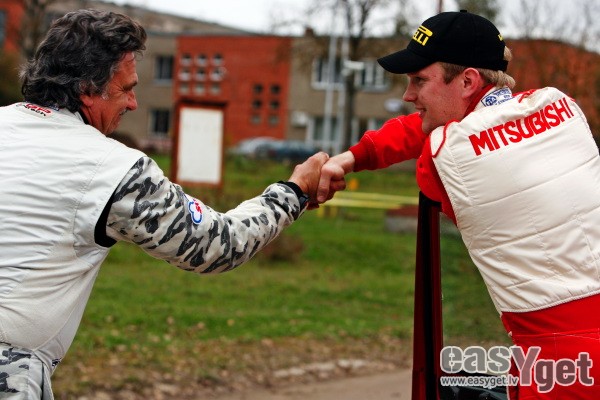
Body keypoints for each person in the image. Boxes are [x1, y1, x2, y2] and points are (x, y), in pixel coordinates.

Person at [0, 9, 330, 399]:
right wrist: (293, 192)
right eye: (126, 89)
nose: (134, 103)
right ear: (88, 89)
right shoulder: (112, 168)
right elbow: (217, 244)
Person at [317, 10, 600, 398]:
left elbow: (433, 135)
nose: (408, 95)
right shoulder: (559, 106)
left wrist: (349, 159)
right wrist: (353, 157)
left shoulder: (443, 157)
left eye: (419, 80)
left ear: (468, 80)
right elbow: (459, 126)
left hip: (562, 367)